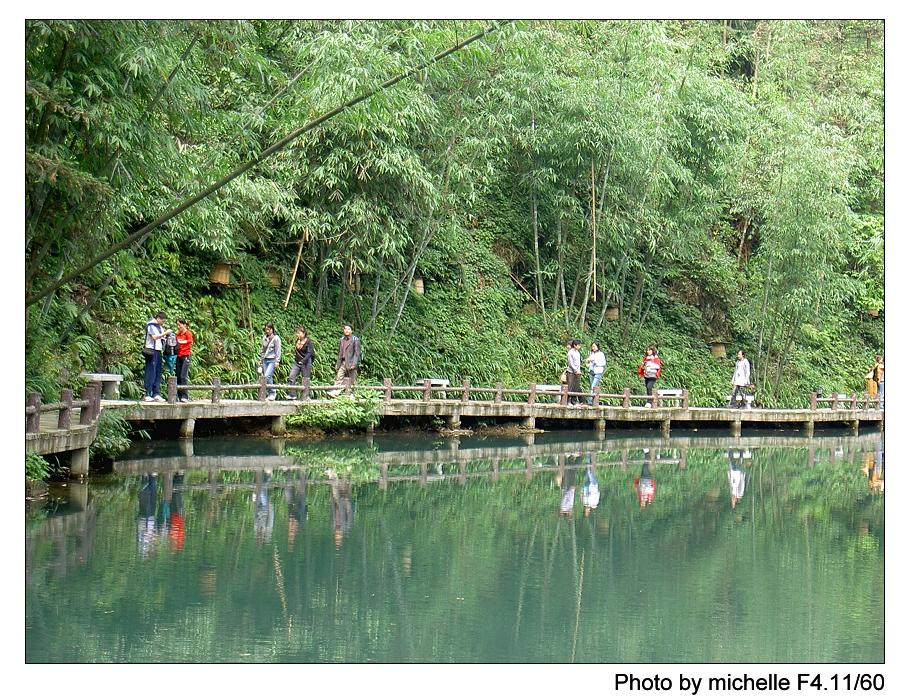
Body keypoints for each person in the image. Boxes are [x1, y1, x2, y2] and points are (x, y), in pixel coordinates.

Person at [142, 312, 170, 402]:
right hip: (151, 351)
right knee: (150, 372)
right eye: (163, 321)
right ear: (158, 318)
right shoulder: (151, 325)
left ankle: (156, 393)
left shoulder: (160, 327)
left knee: (158, 372)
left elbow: (162, 338)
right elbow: (154, 337)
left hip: (158, 351)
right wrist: (165, 333)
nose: (163, 323)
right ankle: (147, 393)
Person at [328, 323, 361, 398]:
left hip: (351, 362)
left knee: (353, 380)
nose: (347, 330)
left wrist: (354, 363)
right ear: (343, 330)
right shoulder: (341, 340)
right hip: (343, 362)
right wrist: (337, 363)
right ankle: (335, 392)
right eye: (345, 329)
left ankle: (353, 395)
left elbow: (357, 353)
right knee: (339, 377)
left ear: (351, 331)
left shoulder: (355, 340)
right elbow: (340, 352)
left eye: (348, 329)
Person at [287, 326, 315, 400]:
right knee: (291, 376)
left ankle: (305, 396)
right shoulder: (297, 340)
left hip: (306, 362)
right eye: (297, 333)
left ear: (304, 333)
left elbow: (309, 353)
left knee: (305, 379)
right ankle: (292, 394)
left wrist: (303, 361)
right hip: (297, 362)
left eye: (299, 333)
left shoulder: (308, 342)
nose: (297, 335)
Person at [258, 322, 282, 400]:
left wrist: (277, 361)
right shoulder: (264, 337)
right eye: (266, 329)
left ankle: (272, 392)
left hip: (272, 360)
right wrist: (260, 360)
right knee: (269, 377)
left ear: (272, 329)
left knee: (266, 376)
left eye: (268, 329)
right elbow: (263, 350)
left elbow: (278, 350)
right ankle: (270, 394)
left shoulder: (276, 338)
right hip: (265, 360)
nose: (267, 331)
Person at [175, 319, 194, 402]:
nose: (179, 327)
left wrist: (181, 341)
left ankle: (185, 396)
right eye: (177, 325)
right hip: (178, 356)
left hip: (186, 355)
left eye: (180, 325)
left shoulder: (188, 333)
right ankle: (179, 396)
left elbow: (190, 342)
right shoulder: (177, 334)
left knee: (183, 376)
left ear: (184, 325)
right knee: (178, 376)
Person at [566, 339, 582, 405]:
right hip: (571, 372)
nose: (580, 346)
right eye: (578, 345)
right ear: (575, 345)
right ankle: (567, 401)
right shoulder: (570, 352)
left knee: (576, 387)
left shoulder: (578, 353)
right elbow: (570, 363)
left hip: (577, 372)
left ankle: (574, 401)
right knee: (570, 386)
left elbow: (578, 363)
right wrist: (575, 370)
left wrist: (579, 370)